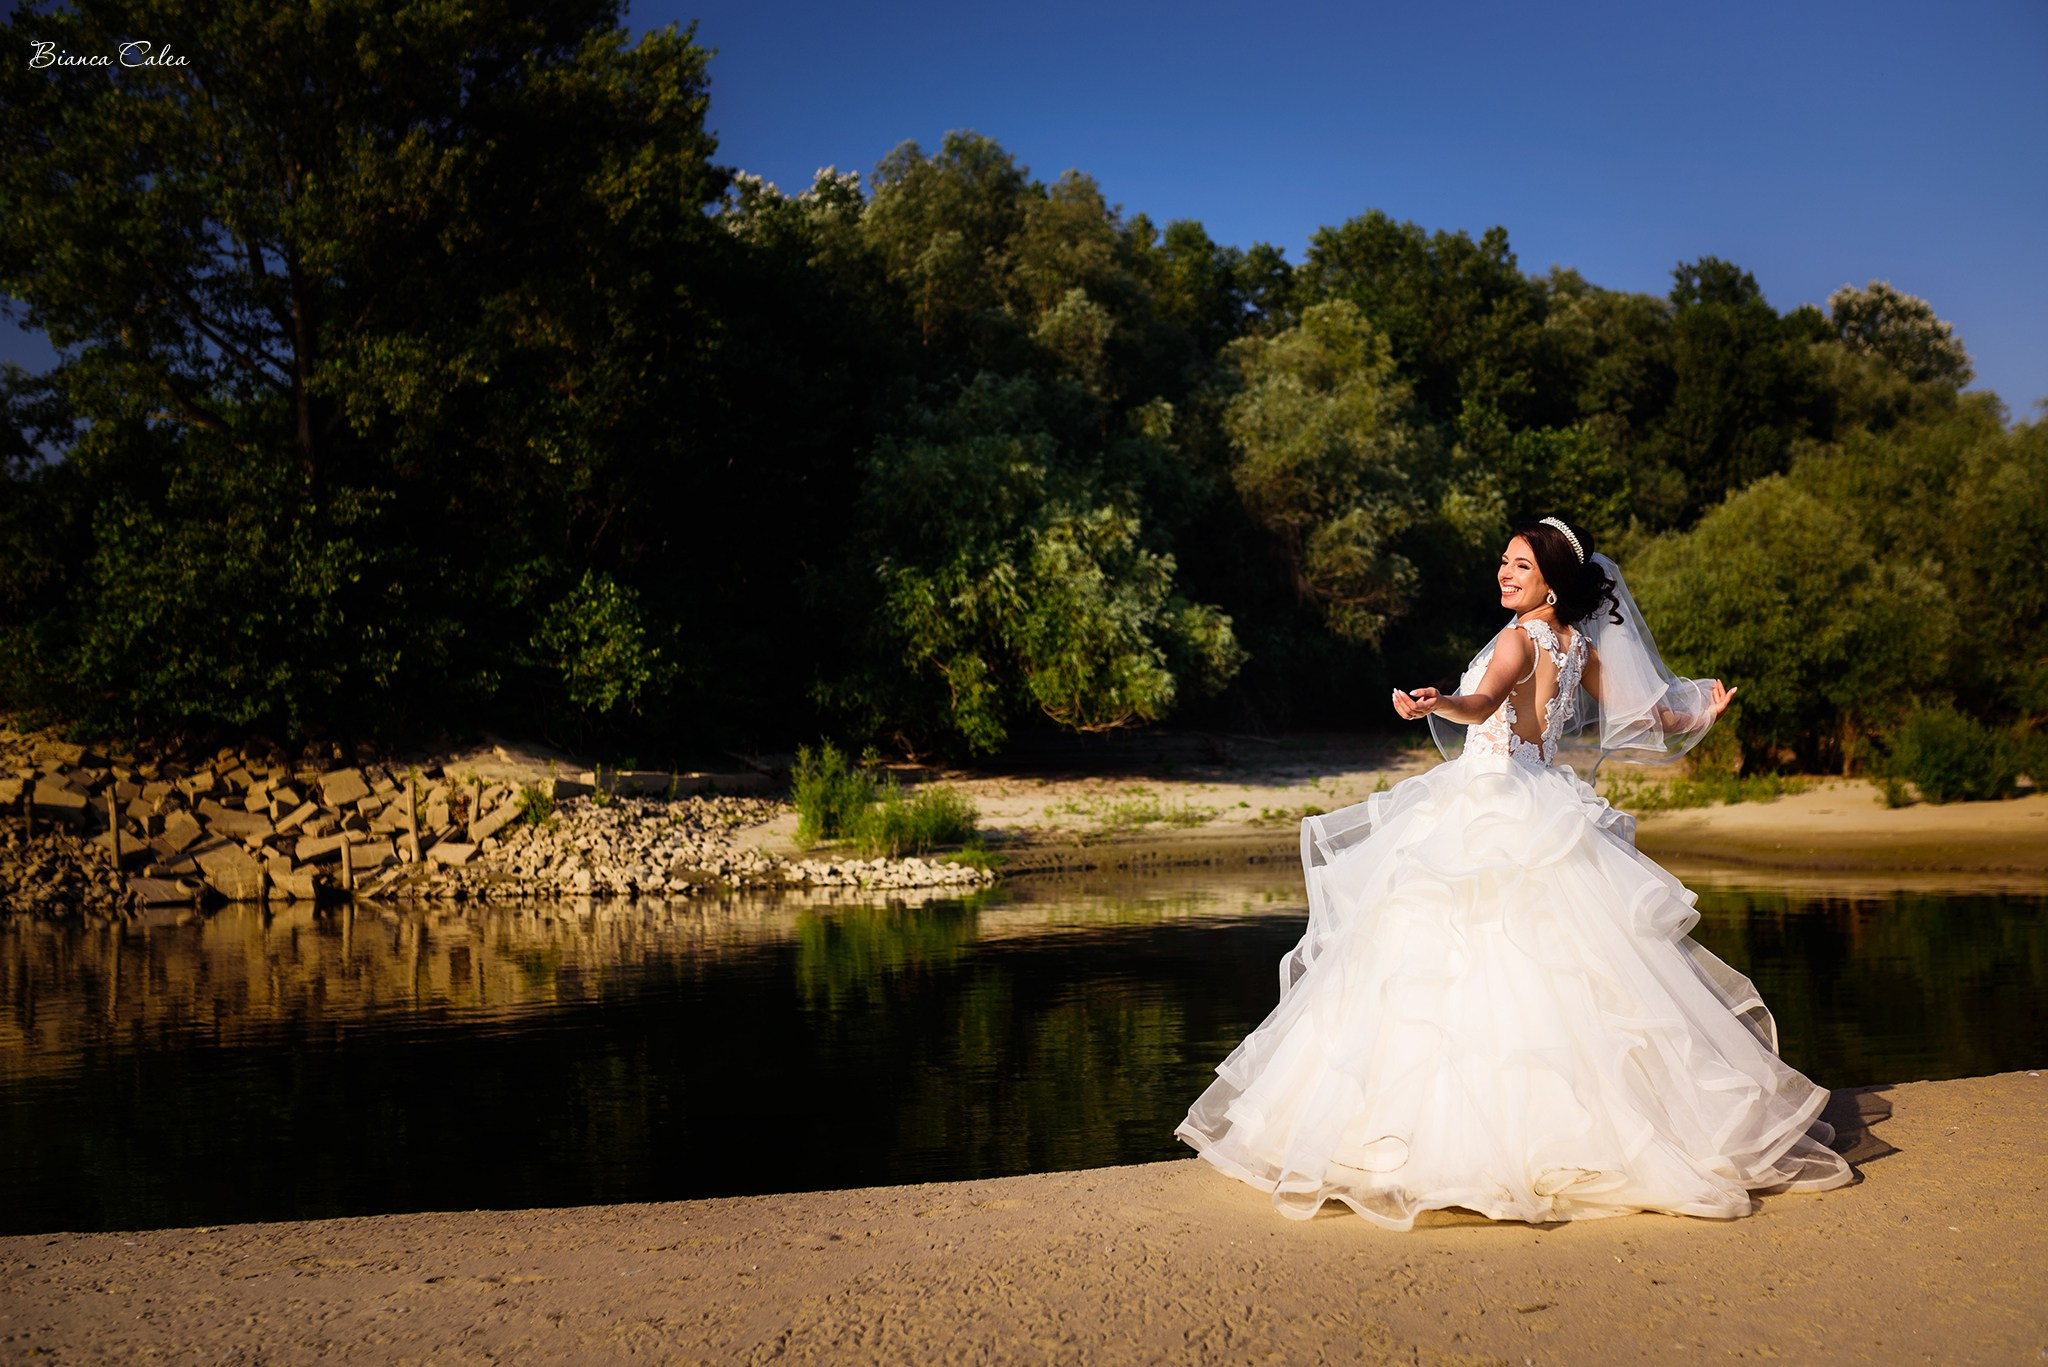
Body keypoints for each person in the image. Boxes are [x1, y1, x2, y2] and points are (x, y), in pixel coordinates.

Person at [1176, 515, 1853, 1228]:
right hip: (1545, 802)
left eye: (1521, 565)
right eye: (1504, 561)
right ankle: (1588, 1135)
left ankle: (1451, 1149)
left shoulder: (1516, 639)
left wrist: (1440, 701)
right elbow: (1643, 714)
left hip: (1489, 802)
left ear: (1551, 580)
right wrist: (1699, 714)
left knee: (1448, 969)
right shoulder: (1580, 644)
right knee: (1573, 972)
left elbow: (1486, 702)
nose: (1504, 572)